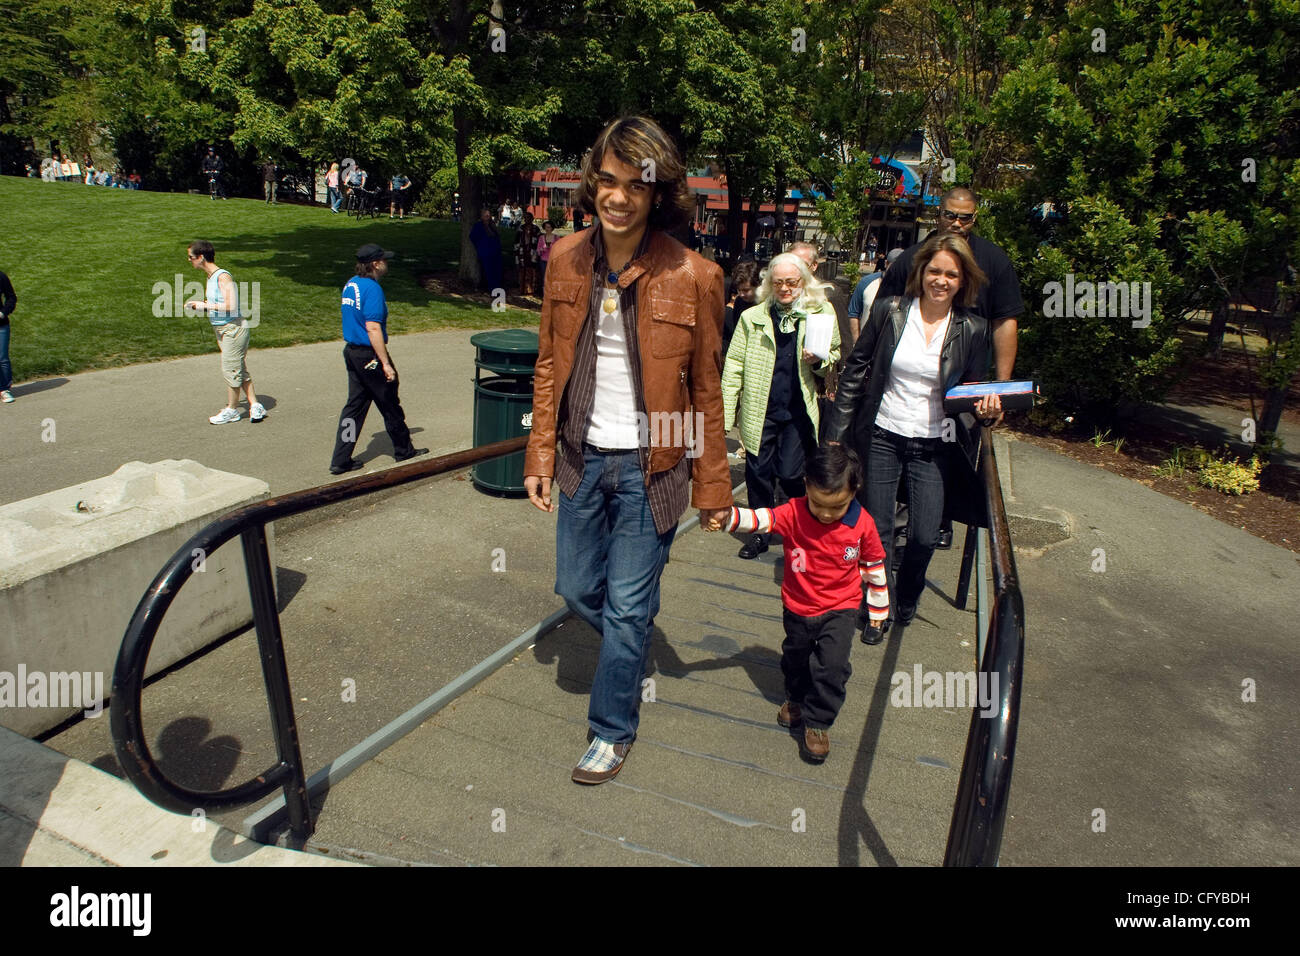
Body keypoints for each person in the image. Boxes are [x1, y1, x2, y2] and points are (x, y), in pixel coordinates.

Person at [523, 115, 731, 785]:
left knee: (623, 608)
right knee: (577, 585)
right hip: (584, 458)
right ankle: (632, 626)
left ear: (656, 194)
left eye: (633, 187)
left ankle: (611, 731)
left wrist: (714, 488)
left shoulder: (694, 274)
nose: (617, 197)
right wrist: (540, 455)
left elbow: (705, 390)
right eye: (606, 182)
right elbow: (548, 366)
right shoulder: (564, 259)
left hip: (654, 468)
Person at [825, 233, 1001, 643]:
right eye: (934, 271)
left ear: (962, 281)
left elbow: (973, 390)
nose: (941, 280)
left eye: (951, 274)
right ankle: (877, 607)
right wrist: (836, 434)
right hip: (884, 433)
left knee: (923, 536)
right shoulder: (890, 311)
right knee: (879, 530)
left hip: (934, 445)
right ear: (921, 272)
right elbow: (855, 370)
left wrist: (987, 411)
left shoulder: (972, 329)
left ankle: (909, 590)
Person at [704, 445, 887, 761]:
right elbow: (762, 519)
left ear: (855, 491)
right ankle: (796, 698)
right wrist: (728, 516)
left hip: (841, 607)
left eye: (837, 506)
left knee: (833, 665)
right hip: (798, 605)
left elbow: (874, 564)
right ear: (806, 486)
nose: (826, 514)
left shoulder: (863, 524)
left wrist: (878, 607)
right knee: (796, 658)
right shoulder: (795, 512)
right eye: (819, 504)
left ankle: (818, 721)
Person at [875, 186, 1024, 548]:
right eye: (950, 215)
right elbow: (880, 317)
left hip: (960, 388)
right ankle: (900, 532)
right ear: (937, 214)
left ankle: (937, 521)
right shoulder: (910, 259)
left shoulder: (994, 261)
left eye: (965, 217)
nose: (956, 223)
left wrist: (1000, 389)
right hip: (905, 388)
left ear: (975, 218)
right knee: (894, 482)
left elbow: (1005, 322)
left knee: (951, 460)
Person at [721, 252, 840, 559]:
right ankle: (761, 533)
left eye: (792, 282)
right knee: (757, 473)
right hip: (760, 409)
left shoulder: (820, 312)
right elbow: (733, 364)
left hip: (798, 412)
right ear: (769, 284)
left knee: (789, 474)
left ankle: (798, 527)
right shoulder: (753, 317)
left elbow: (834, 356)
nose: (785, 288)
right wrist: (725, 413)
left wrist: (820, 360)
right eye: (779, 283)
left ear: (803, 282)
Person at [329, 244, 427, 474]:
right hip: (368, 354)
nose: (386, 263)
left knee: (354, 407)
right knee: (389, 402)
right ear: (375, 264)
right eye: (384, 260)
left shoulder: (351, 284)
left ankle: (340, 459)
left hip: (352, 352)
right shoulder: (372, 289)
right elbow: (372, 327)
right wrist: (385, 363)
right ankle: (404, 451)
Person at [184, 240, 265, 425]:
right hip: (223, 329)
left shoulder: (222, 277)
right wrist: (200, 305)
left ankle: (232, 410)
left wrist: (204, 305)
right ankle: (255, 405)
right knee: (239, 368)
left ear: (201, 257)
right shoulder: (211, 277)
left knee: (231, 369)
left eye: (191, 257)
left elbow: (231, 305)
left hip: (233, 329)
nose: (189, 260)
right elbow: (217, 303)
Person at [846, 247, 904, 344]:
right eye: (894, 266)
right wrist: (856, 344)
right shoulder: (866, 282)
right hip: (866, 345)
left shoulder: (910, 288)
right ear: (886, 264)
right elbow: (853, 314)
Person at [721, 259, 761, 358]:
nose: (741, 294)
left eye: (746, 290)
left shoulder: (767, 304)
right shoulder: (739, 302)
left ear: (758, 286)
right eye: (739, 290)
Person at [470, 208, 504, 293]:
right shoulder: (478, 226)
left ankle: (497, 288)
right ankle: (491, 289)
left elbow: (497, 238)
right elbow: (473, 237)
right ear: (482, 216)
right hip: (485, 252)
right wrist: (480, 247)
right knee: (489, 272)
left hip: (495, 253)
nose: (487, 217)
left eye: (488, 215)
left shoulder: (492, 226)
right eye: (485, 215)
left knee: (497, 271)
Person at [514, 211, 540, 295]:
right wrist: (516, 253)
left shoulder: (536, 229)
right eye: (525, 218)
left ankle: (531, 290)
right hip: (522, 252)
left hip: (532, 253)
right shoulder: (521, 229)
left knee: (532, 270)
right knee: (522, 270)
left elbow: (539, 241)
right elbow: (516, 241)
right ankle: (522, 289)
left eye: (529, 218)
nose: (527, 219)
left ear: (532, 219)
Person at [0, 269, 16, 403]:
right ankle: (3, 389)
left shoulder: (1, 277)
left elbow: (11, 297)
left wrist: (3, 313)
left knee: (2, 358)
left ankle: (5, 388)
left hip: (1, 325)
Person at [535, 220, 558, 290]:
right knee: (544, 278)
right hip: (544, 261)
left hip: (553, 261)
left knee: (553, 277)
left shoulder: (556, 238)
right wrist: (544, 248)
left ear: (552, 228)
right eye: (546, 227)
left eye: (549, 227)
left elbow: (559, 249)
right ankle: (545, 293)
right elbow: (538, 251)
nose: (547, 229)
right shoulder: (541, 238)